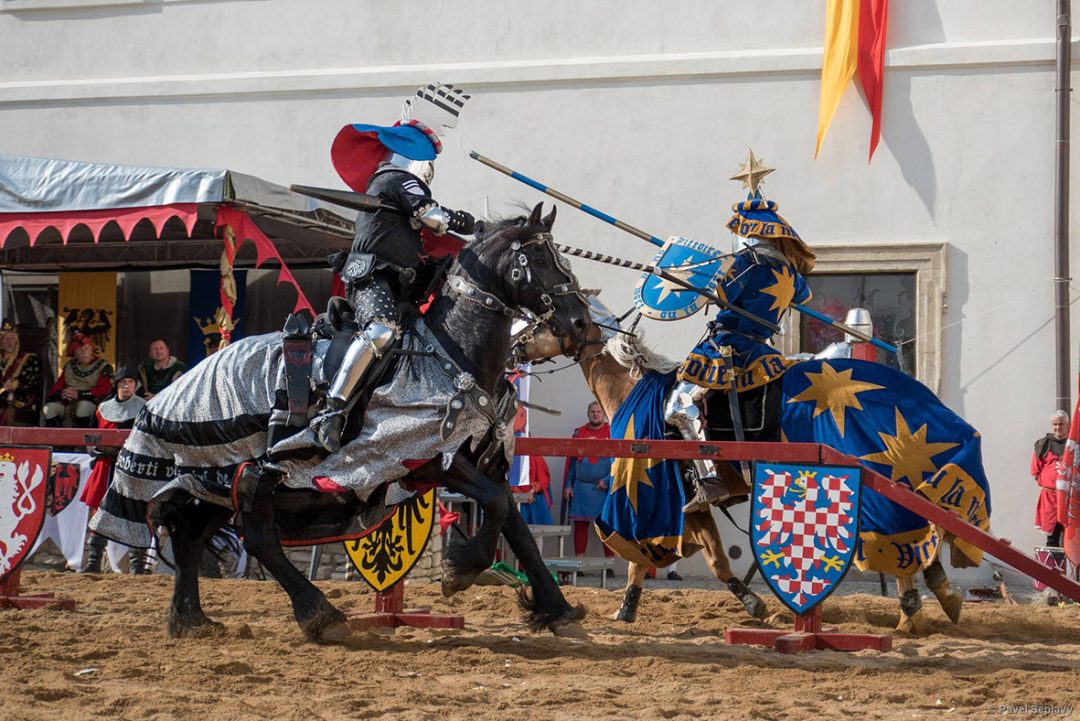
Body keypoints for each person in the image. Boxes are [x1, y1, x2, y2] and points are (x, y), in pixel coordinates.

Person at [312, 83, 475, 452]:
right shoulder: (394, 180)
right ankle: (332, 410)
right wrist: (463, 220)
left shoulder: (396, 192)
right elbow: (433, 217)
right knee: (381, 334)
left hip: (397, 283)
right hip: (372, 277)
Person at [668, 158, 816, 514]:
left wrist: (685, 278)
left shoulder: (747, 263)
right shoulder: (790, 274)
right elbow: (803, 299)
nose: (739, 237)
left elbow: (720, 296)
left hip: (726, 345)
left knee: (678, 406)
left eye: (741, 231)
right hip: (762, 349)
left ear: (749, 232)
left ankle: (710, 480)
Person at [79, 365, 149, 573]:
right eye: (122, 382)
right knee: (100, 512)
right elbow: (90, 437)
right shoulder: (103, 409)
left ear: (135, 386)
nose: (126, 385)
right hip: (105, 465)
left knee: (135, 512)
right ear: (117, 385)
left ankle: (137, 565)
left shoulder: (144, 408)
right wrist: (96, 451)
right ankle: (93, 561)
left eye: (130, 382)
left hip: (131, 467)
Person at [564, 402, 615, 566]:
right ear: (588, 414)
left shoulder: (612, 432)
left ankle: (609, 564)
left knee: (606, 527)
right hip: (581, 488)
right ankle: (580, 563)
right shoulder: (579, 433)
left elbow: (619, 462)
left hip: (604, 489)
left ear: (604, 414)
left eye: (599, 411)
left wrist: (608, 480)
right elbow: (571, 463)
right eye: (592, 411)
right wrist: (568, 485)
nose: (595, 414)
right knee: (580, 526)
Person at [43, 333, 113, 428]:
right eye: (79, 350)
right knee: (49, 409)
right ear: (74, 353)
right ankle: (57, 440)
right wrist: (63, 393)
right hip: (68, 405)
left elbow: (104, 390)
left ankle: (81, 440)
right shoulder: (69, 366)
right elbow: (57, 387)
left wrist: (80, 394)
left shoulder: (103, 366)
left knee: (84, 407)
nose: (83, 352)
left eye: (86, 348)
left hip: (92, 405)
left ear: (92, 349)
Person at [1032, 410, 1069, 547]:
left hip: (1070, 499)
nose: (1058, 427)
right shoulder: (1043, 444)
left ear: (1067, 425)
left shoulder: (1074, 445)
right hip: (1050, 498)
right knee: (1052, 537)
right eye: (1055, 424)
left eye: (1061, 424)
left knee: (1071, 537)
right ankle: (1052, 568)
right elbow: (1036, 470)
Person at [0, 320, 43, 426]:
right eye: (6, 339)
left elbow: (34, 383)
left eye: (12, 339)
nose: (9, 342)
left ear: (17, 341)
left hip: (17, 398)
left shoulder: (29, 359)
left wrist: (16, 384)